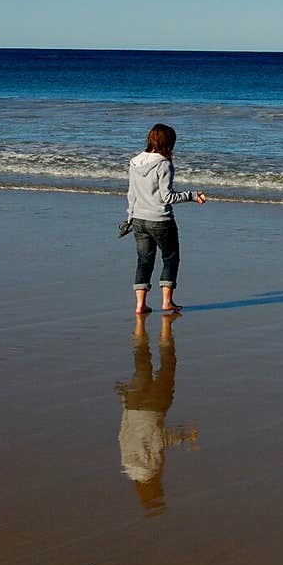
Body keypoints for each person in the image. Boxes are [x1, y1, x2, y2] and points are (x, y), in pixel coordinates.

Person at [114, 312, 198, 514]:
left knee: (168, 366)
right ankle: (141, 327)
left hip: (153, 407)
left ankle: (166, 329)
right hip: (132, 405)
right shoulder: (126, 464)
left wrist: (184, 436)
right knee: (142, 361)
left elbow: (157, 439)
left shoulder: (148, 469)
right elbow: (123, 432)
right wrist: (124, 399)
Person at [125, 123, 205, 314]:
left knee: (144, 261)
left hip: (138, 218)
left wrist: (130, 217)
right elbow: (167, 197)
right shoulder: (164, 164)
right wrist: (192, 195)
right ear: (168, 142)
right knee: (170, 258)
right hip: (160, 220)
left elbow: (131, 194)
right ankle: (167, 302)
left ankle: (140, 305)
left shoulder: (134, 162)